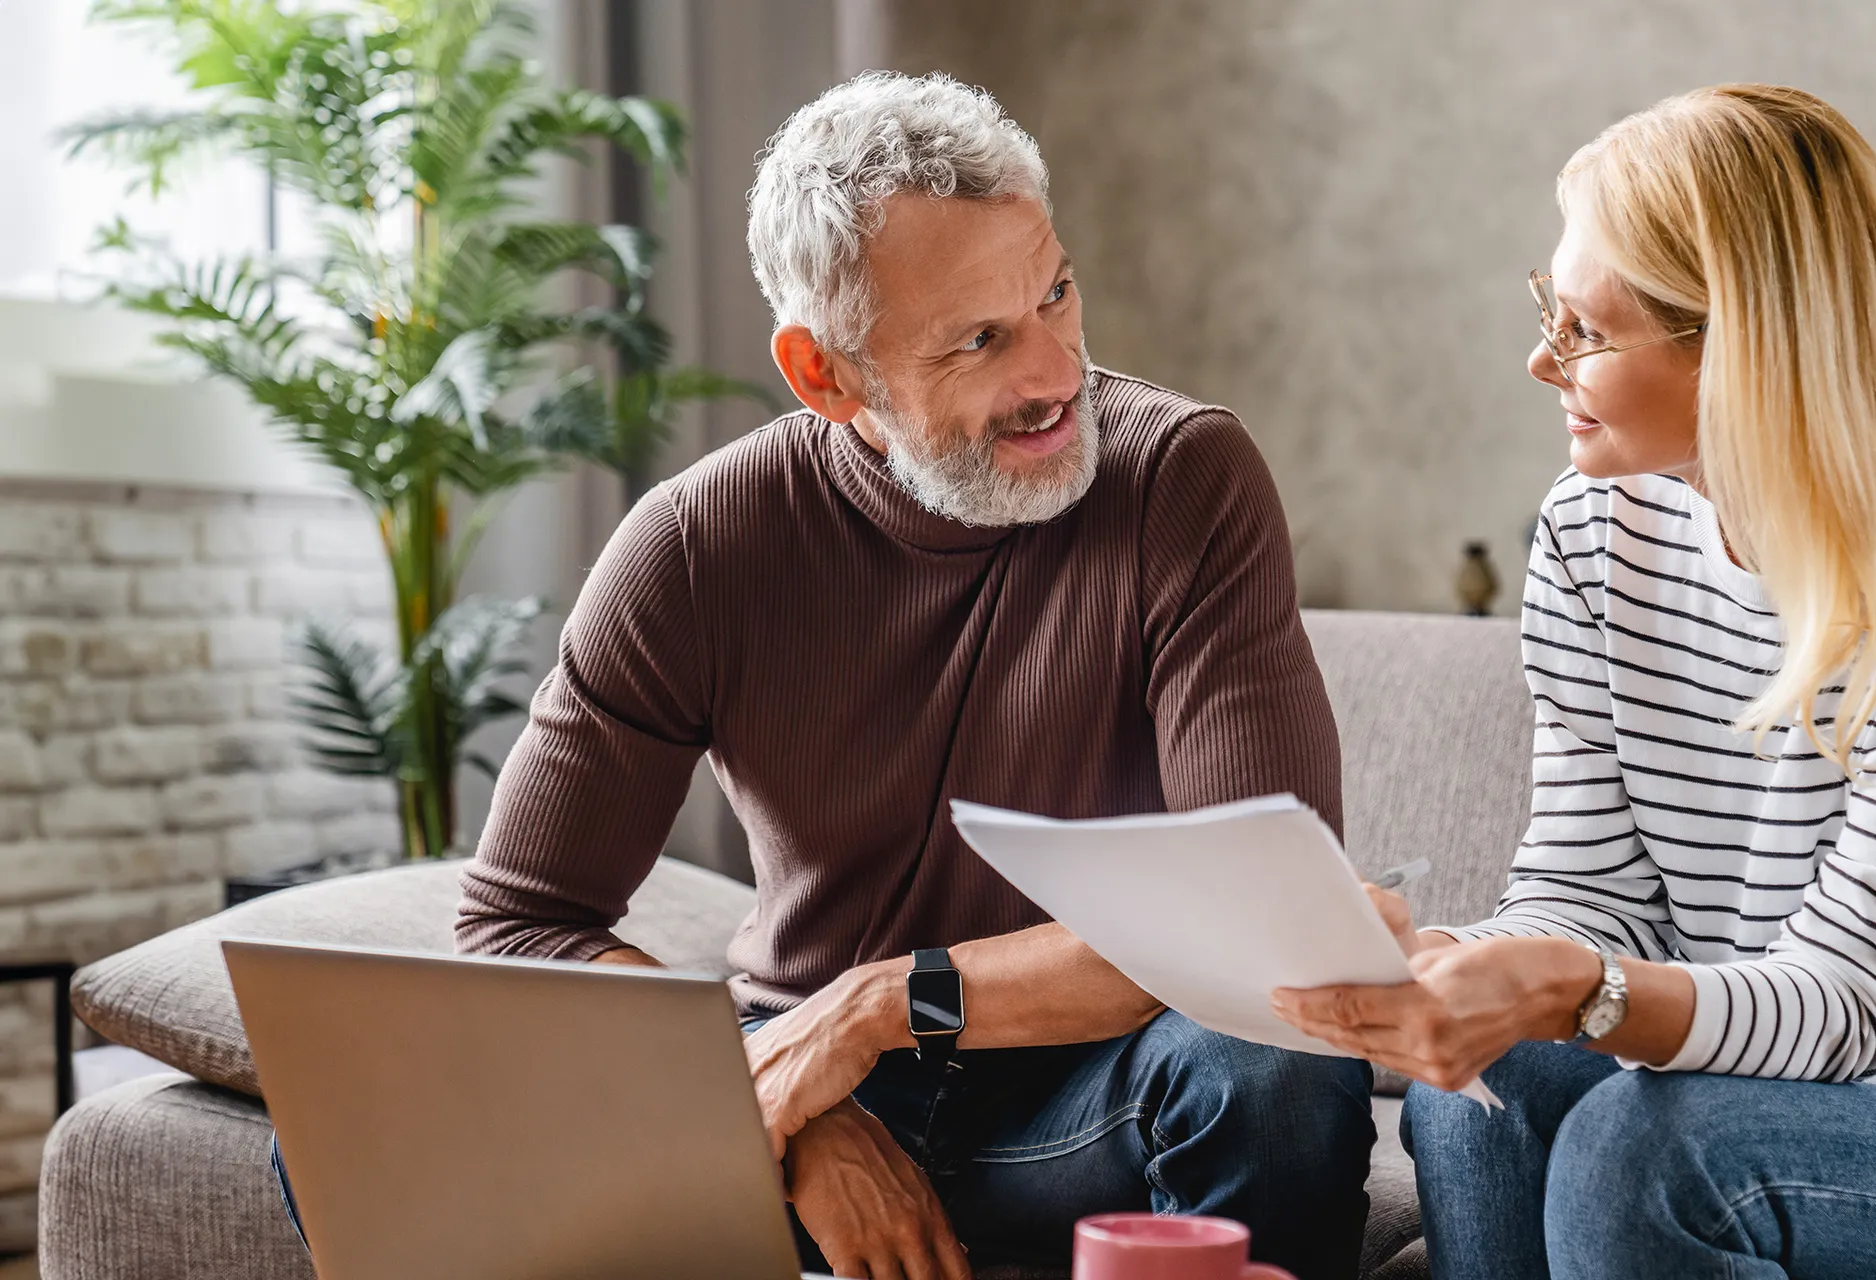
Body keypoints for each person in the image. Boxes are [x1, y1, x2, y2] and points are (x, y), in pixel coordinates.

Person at [1273, 84, 1876, 1280]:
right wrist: (1460, 965)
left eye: (1585, 329)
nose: (1541, 358)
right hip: (1763, 1088)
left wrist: (1580, 988)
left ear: (1744, 346)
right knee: (1485, 1084)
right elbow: (1583, 889)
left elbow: (1848, 1001)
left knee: (1640, 1147)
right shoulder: (1590, 531)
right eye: (1545, 310)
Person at [454, 72, 1372, 1280]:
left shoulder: (1181, 479)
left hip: (1085, 1098)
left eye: (1054, 292)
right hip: (796, 1080)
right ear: (826, 375)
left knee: (1281, 1060)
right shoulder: (694, 542)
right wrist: (791, 1111)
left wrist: (882, 1002)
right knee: (357, 1133)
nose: (1054, 374)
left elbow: (1261, 926)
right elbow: (517, 923)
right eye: (979, 339)